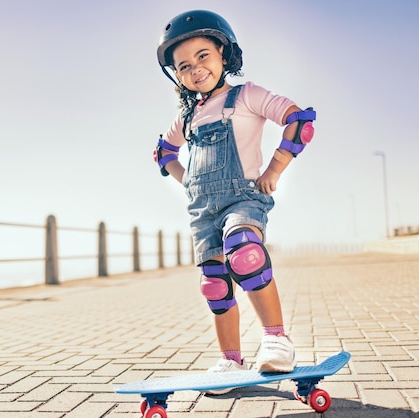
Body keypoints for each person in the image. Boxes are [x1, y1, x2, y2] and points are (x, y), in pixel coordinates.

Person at [154, 10, 316, 393]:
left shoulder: (247, 96)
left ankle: (277, 339)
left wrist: (275, 169)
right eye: (184, 65)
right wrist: (189, 183)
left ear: (224, 54)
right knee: (214, 284)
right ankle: (230, 362)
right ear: (177, 74)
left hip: (244, 197)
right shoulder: (186, 117)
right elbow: (164, 153)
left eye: (203, 56)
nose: (195, 69)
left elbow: (299, 120)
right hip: (202, 211)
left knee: (244, 253)